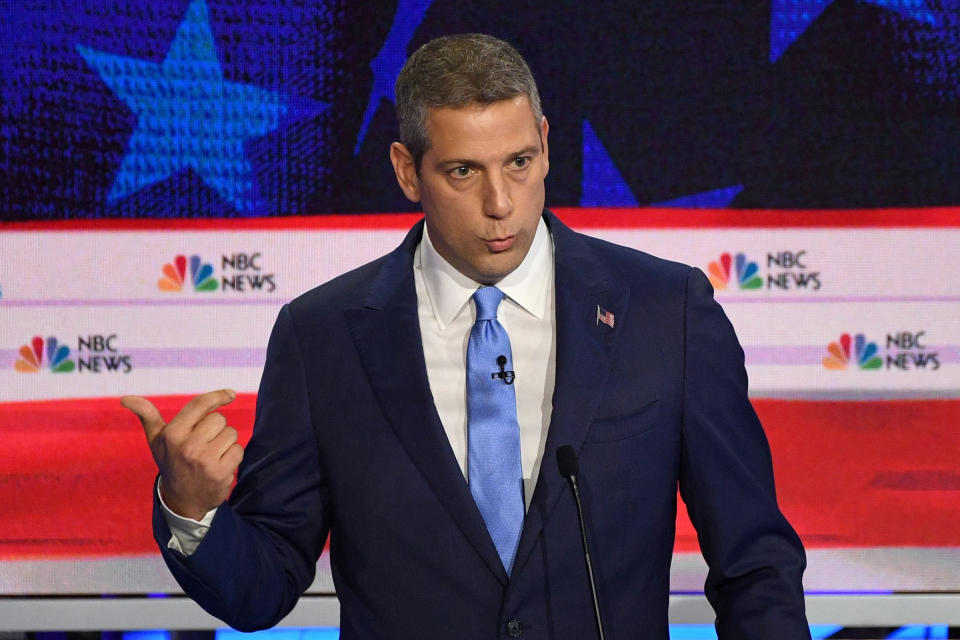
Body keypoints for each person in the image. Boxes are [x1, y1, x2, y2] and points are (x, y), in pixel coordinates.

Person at [122, 33, 810, 639]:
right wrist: (193, 509)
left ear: (544, 143)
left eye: (518, 161)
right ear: (405, 171)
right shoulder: (322, 337)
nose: (500, 203)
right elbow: (262, 588)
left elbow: (754, 560)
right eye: (463, 172)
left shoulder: (666, 312)